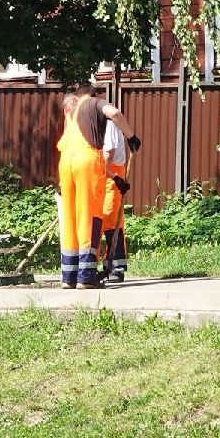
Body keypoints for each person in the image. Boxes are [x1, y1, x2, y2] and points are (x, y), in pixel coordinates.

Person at [57, 85, 138, 288]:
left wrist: (115, 178)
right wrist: (131, 136)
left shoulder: (72, 114)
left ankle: (69, 276)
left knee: (71, 218)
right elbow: (114, 113)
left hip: (66, 165)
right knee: (90, 217)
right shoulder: (93, 104)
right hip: (88, 165)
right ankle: (86, 276)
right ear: (92, 96)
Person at [98, 116, 132, 283]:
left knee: (110, 219)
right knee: (98, 219)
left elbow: (107, 153)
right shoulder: (92, 121)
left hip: (111, 174)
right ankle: (103, 265)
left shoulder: (108, 123)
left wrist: (111, 175)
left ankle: (115, 267)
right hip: (100, 174)